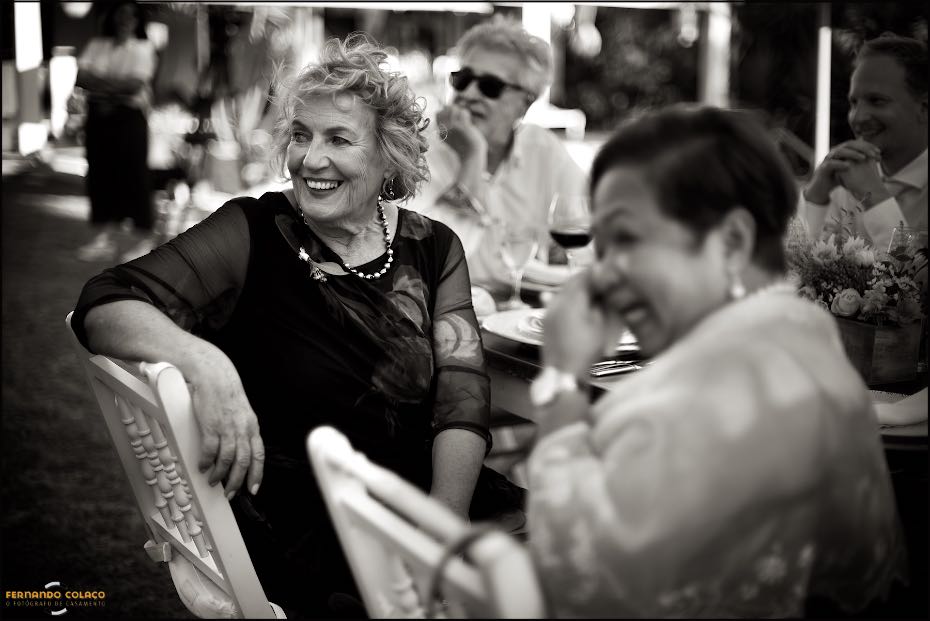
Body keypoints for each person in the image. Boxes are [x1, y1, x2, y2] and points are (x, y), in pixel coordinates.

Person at [71, 34, 522, 617]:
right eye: (302, 135)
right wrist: (206, 362)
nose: (309, 160)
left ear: (389, 155)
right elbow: (103, 302)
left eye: (339, 139)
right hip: (309, 526)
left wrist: (444, 521)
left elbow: (462, 398)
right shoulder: (253, 231)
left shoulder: (434, 247)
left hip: (422, 496)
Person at [526, 105, 906, 617]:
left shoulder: (714, 393)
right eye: (604, 247)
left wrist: (563, 377)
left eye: (628, 239)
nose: (603, 275)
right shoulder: (806, 339)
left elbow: (575, 581)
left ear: (731, 241)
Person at [406, 18, 588, 288]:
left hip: (522, 305)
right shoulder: (418, 148)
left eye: (490, 86)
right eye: (463, 79)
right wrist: (472, 158)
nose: (468, 93)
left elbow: (589, 225)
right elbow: (421, 258)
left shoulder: (543, 150)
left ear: (525, 104)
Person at [802, 34, 927, 251]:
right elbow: (793, 267)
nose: (857, 118)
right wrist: (815, 197)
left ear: (924, 109)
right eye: (853, 103)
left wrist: (874, 197)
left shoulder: (859, 184)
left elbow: (914, 272)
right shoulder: (843, 182)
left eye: (876, 101)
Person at [75, 1, 158, 263]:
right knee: (99, 174)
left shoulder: (144, 48)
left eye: (131, 16)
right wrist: (116, 87)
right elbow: (81, 78)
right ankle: (103, 238)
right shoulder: (97, 45)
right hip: (99, 117)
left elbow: (134, 85)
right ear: (112, 16)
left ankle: (143, 239)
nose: (125, 20)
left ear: (138, 21)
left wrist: (100, 85)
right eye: (121, 13)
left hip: (129, 118)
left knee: (134, 175)